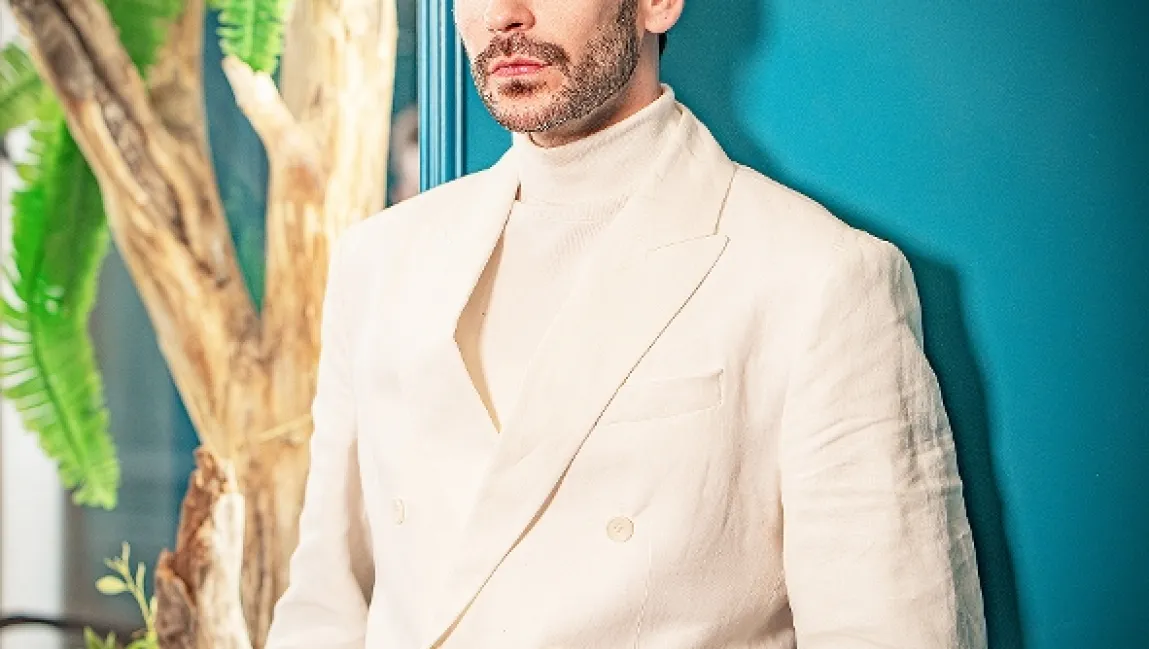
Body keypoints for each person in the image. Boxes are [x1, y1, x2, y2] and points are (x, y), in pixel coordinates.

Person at [264, 0, 988, 647]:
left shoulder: (818, 276)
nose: (503, 14)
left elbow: (890, 628)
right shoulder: (378, 261)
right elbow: (324, 604)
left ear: (657, 4)